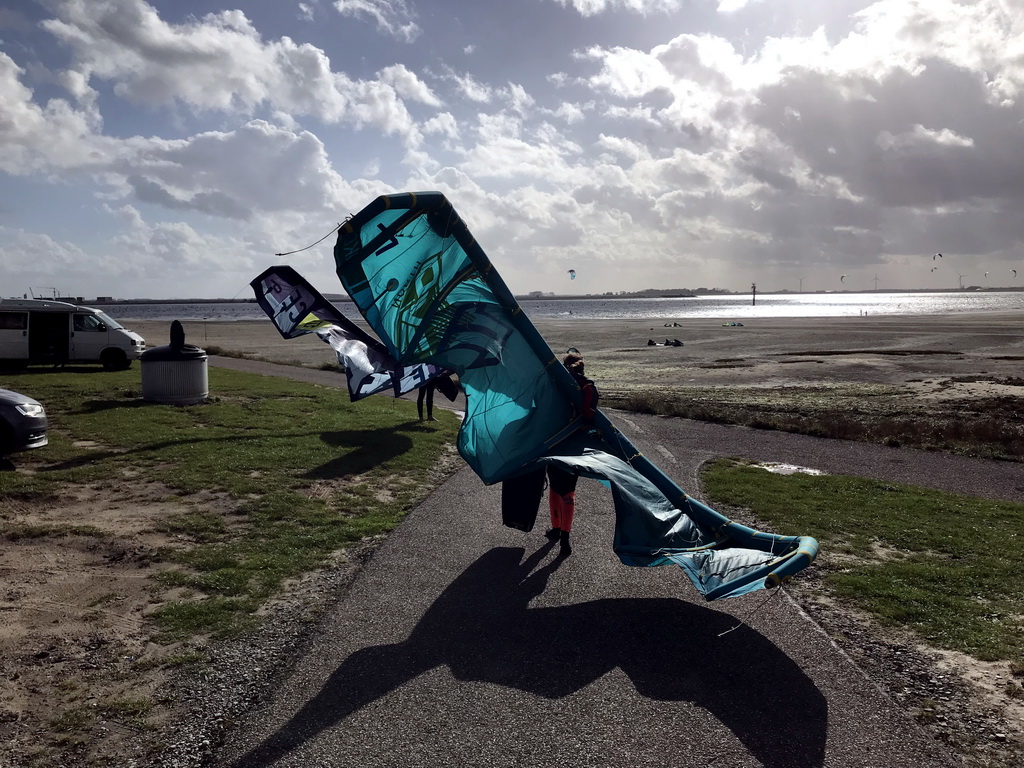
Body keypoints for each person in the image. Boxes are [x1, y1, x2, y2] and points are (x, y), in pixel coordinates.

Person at [545, 350, 598, 557]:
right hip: (576, 446)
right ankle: (565, 538)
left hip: (555, 443)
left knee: (554, 488)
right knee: (568, 490)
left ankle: (556, 529)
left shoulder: (558, 386)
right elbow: (591, 416)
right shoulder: (588, 387)